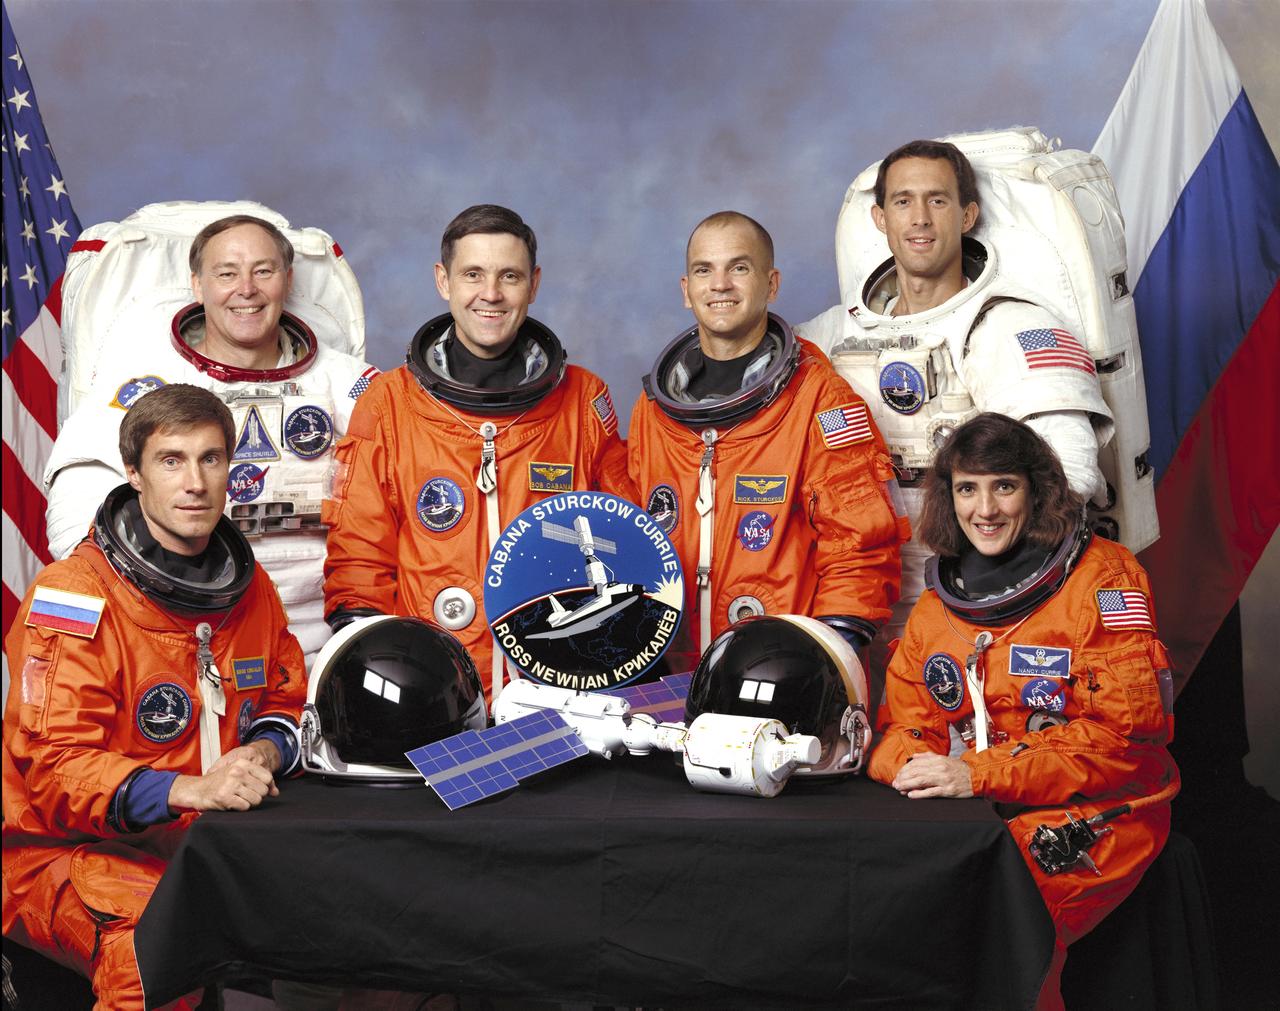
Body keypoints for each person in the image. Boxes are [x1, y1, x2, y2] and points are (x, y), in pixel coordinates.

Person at [3, 384, 307, 1010]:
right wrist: (190, 790)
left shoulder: (247, 589)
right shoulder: (74, 598)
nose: (195, 482)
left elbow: (285, 697)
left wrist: (264, 753)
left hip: (202, 841)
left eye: (210, 458)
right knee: (153, 945)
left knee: (354, 912)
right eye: (172, 460)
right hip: (62, 852)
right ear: (135, 474)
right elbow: (56, 771)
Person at [867, 413, 1178, 1010]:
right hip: (990, 805)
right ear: (948, 497)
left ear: (1038, 491)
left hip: (1107, 807)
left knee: (1004, 916)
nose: (985, 509)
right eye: (967, 488)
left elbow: (1124, 740)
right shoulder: (938, 607)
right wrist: (912, 765)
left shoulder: (1104, 581)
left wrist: (977, 773)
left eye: (1004, 486)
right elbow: (904, 726)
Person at [798, 140, 1115, 684]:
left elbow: (1069, 476)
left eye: (938, 200)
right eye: (903, 201)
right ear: (880, 218)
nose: (920, 218)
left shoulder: (1012, 326)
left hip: (974, 597)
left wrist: (981, 580)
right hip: (857, 594)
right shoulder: (831, 334)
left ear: (968, 216)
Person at [323, 204, 633, 700]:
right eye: (473, 274)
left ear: (533, 284)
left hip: (557, 684)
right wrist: (377, 666)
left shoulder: (582, 400)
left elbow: (629, 536)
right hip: (432, 687)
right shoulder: (388, 403)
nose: (491, 293)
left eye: (509, 276)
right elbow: (360, 551)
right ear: (443, 280)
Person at [43, 214, 376, 664]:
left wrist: (360, 624)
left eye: (263, 270)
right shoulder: (144, 385)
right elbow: (77, 516)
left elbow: (404, 485)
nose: (246, 289)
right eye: (226, 274)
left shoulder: (349, 383)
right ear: (198, 286)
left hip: (331, 634)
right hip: (185, 630)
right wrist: (152, 615)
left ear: (288, 280)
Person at [627, 211, 906, 670]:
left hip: (779, 668)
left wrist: (823, 657)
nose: (720, 285)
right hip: (670, 669)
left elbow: (860, 547)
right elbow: (631, 539)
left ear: (771, 284)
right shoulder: (654, 410)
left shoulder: (820, 398)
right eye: (704, 270)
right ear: (686, 290)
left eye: (739, 268)